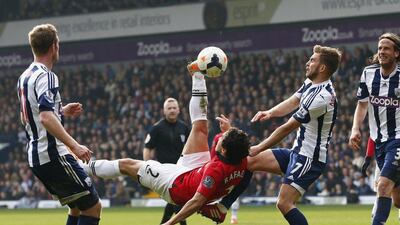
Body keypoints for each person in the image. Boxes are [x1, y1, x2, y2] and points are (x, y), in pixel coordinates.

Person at [85, 70, 250, 225]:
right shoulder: (242, 160)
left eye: (225, 138)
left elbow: (196, 201)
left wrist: (171, 223)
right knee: (201, 127)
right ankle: (198, 76)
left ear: (224, 150)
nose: (222, 135)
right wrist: (224, 205)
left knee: (127, 165)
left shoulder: (215, 169)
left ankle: (83, 168)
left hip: (175, 184)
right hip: (195, 170)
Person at [201, 45, 341, 225]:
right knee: (249, 162)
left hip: (310, 159)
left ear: (322, 68)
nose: (307, 63)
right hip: (298, 152)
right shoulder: (312, 84)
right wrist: (270, 112)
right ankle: (222, 208)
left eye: (312, 60)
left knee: (284, 203)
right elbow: (293, 101)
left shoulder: (322, 96)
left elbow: (287, 127)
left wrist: (259, 147)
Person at [17, 24, 101, 225]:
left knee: (77, 208)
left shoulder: (24, 77)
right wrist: (75, 146)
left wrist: (60, 111)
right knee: (93, 207)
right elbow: (45, 118)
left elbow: (27, 116)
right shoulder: (47, 75)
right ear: (54, 46)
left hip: (37, 158)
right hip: (53, 155)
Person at [349, 32, 400, 225]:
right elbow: (362, 105)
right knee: (397, 201)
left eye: (386, 48)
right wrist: (355, 128)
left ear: (396, 53)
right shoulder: (368, 73)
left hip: (398, 140)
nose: (382, 52)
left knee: (383, 185)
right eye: (379, 48)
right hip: (379, 142)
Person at [143, 97, 190, 225]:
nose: (172, 110)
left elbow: (191, 146)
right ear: (164, 111)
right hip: (164, 171)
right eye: (169, 108)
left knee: (174, 200)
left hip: (181, 169)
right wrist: (148, 168)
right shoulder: (157, 128)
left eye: (174, 108)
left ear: (179, 110)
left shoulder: (184, 127)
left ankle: (164, 223)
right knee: (177, 199)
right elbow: (147, 148)